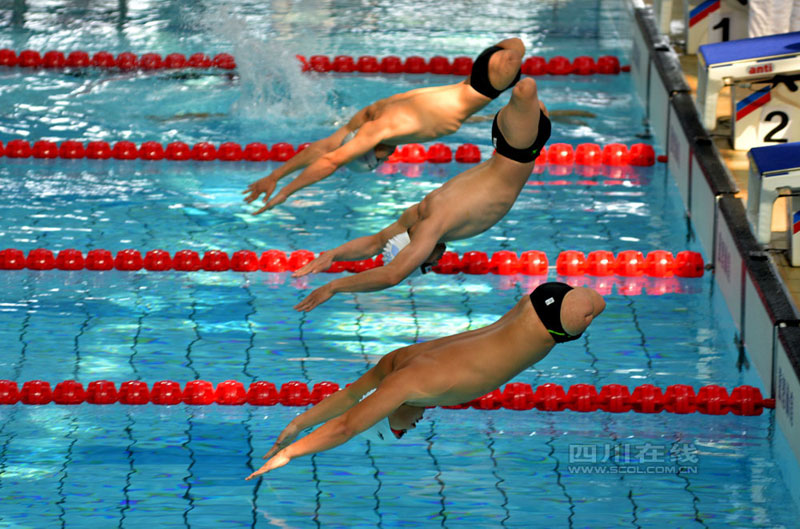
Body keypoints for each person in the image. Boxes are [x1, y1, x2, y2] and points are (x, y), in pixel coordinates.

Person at [245, 282, 605, 480]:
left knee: (599, 303)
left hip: (557, 322)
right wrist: (298, 424)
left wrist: (291, 452)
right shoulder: (395, 363)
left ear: (386, 413)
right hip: (536, 300)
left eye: (399, 431)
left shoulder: (408, 384)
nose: (412, 427)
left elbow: (347, 425)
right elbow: (352, 395)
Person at [290, 74, 551, 312]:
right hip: (514, 144)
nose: (437, 262)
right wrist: (333, 256)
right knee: (527, 93)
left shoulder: (430, 226)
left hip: (514, 146)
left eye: (427, 265)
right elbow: (375, 243)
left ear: (416, 253)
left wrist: (333, 285)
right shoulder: (417, 217)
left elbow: (390, 272)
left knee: (525, 87)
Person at [242, 38, 526, 215]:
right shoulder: (372, 115)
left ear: (369, 150)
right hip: (477, 79)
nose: (387, 158)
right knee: (515, 46)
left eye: (379, 160)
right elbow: (327, 146)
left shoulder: (377, 129)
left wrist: (285, 190)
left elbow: (331, 158)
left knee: (517, 49)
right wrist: (275, 176)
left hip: (482, 84)